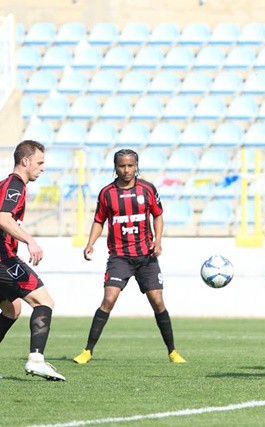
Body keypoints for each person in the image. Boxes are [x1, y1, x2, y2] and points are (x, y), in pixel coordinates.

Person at [73, 149, 186, 364]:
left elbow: (158, 215)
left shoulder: (148, 189)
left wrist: (158, 241)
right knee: (108, 299)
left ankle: (172, 352)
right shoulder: (107, 193)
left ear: (136, 166)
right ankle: (87, 351)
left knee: (157, 301)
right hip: (119, 257)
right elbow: (99, 220)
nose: (126, 170)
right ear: (115, 167)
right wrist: (90, 243)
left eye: (130, 166)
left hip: (146, 256)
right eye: (122, 166)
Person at [0, 140, 65, 381]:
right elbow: (3, 218)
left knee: (12, 308)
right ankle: (36, 360)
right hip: (3, 259)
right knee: (43, 301)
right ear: (25, 161)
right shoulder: (15, 185)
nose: (42, 167)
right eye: (40, 162)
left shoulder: (7, 184)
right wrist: (30, 240)